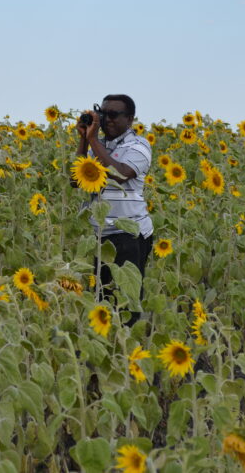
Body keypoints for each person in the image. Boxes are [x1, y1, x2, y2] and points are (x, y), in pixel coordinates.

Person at [73, 94, 153, 323]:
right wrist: (84, 141)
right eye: (103, 113)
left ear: (130, 119)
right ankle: (109, 346)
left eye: (113, 115)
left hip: (130, 233)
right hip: (101, 234)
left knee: (127, 298)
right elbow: (76, 180)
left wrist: (94, 141)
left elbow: (120, 174)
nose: (106, 119)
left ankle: (127, 349)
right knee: (102, 297)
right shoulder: (98, 147)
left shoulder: (138, 145)